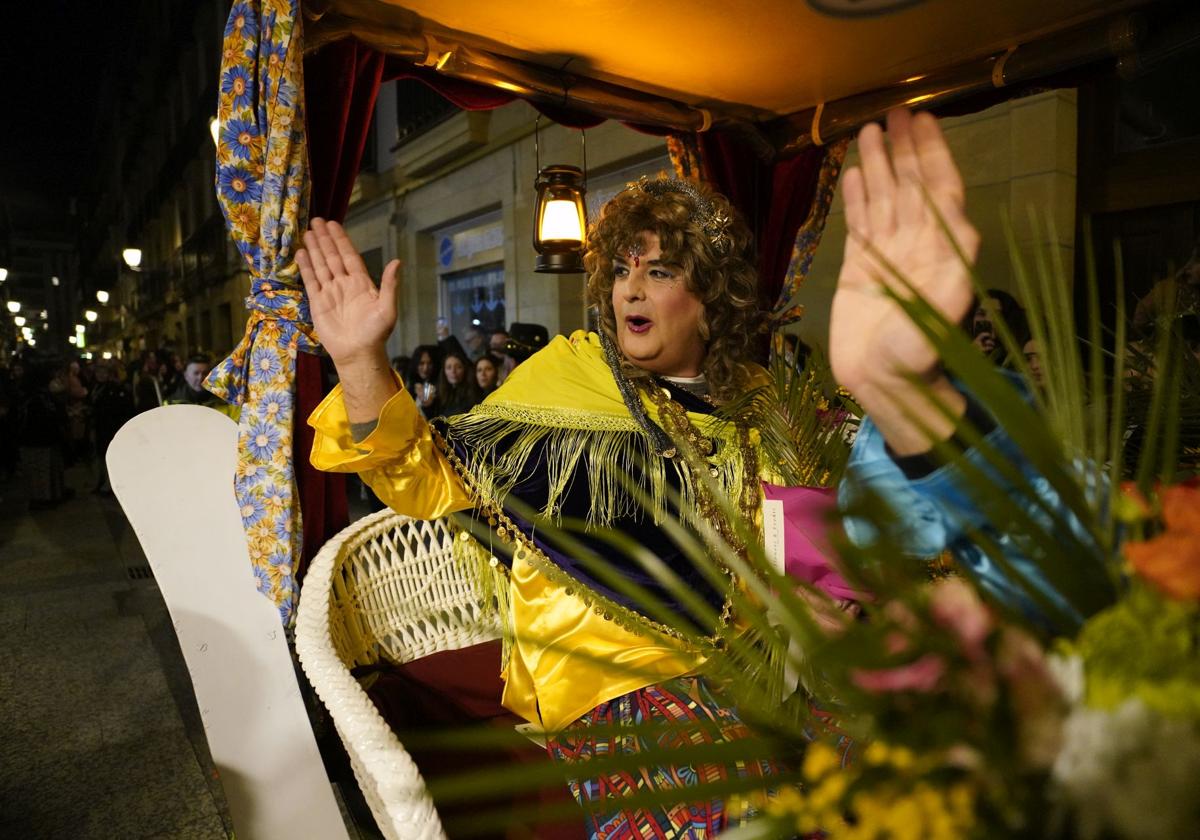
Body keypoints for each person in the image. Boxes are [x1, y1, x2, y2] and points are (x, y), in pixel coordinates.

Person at [300, 109, 1037, 835]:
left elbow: (847, 532)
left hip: (775, 664)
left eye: (658, 271)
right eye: (622, 271)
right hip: (622, 675)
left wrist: (840, 603)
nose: (629, 290)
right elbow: (421, 475)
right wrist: (361, 361)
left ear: (712, 302)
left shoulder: (765, 397)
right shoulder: (570, 374)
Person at [431, 349, 478, 418]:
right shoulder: (439, 394)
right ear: (444, 371)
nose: (453, 371)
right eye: (449, 367)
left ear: (465, 370)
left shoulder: (473, 393)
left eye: (458, 367)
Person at [405, 345, 440, 417]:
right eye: (421, 363)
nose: (425, 368)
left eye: (429, 363)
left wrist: (428, 404)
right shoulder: (411, 385)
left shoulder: (440, 385)